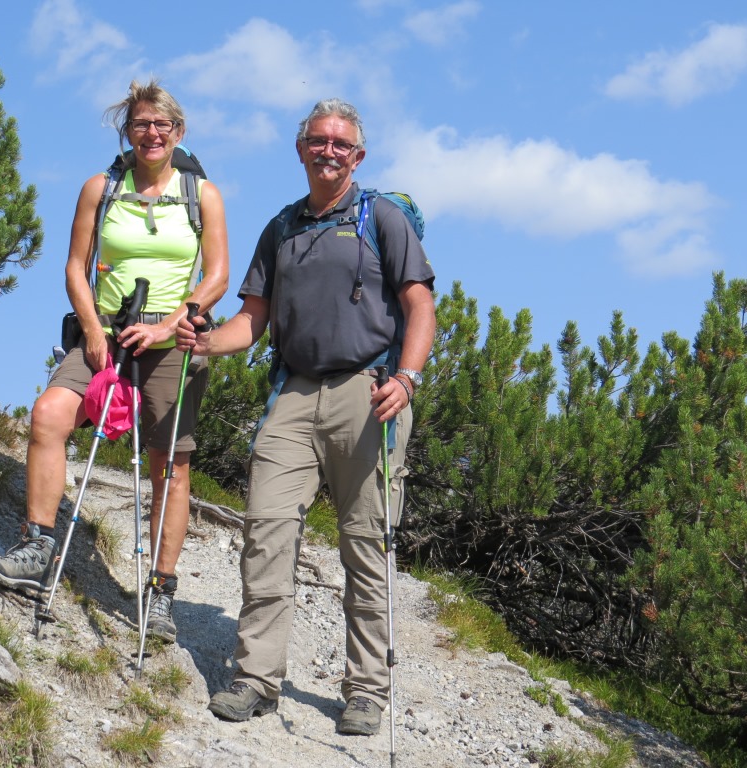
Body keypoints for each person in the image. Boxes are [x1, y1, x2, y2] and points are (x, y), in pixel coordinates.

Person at [176, 98, 435, 736]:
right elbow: (252, 320)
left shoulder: (383, 218)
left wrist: (406, 378)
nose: (328, 151)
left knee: (366, 544)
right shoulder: (281, 227)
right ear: (300, 149)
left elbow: (420, 305)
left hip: (369, 391)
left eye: (341, 144)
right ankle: (256, 678)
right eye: (318, 141)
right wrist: (205, 342)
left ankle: (366, 691)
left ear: (358, 156)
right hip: (292, 393)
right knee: (266, 530)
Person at [0, 79, 229, 644]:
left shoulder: (201, 194)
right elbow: (75, 265)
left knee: (170, 466)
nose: (152, 133)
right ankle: (37, 547)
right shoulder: (102, 188)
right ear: (127, 131)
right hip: (105, 336)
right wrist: (92, 329)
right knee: (48, 415)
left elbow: (216, 277)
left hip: (172, 344)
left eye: (162, 124)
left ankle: (160, 590)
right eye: (141, 124)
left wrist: (168, 325)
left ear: (179, 131)